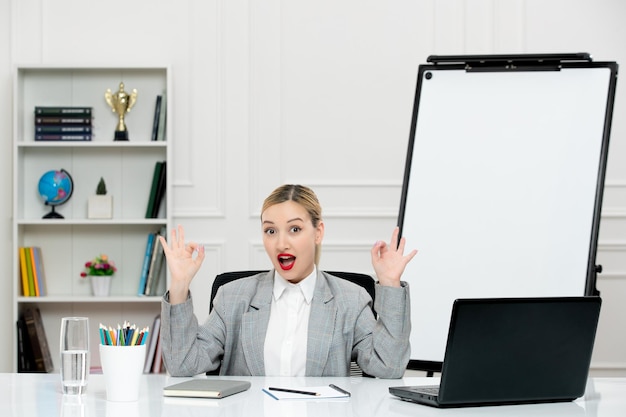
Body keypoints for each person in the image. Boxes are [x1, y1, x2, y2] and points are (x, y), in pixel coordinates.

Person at [159, 184, 417, 378]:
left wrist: (390, 283)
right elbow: (183, 364)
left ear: (318, 233)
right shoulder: (232, 297)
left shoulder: (351, 299)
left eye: (295, 229)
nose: (281, 243)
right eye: (270, 231)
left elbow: (389, 366)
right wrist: (179, 285)